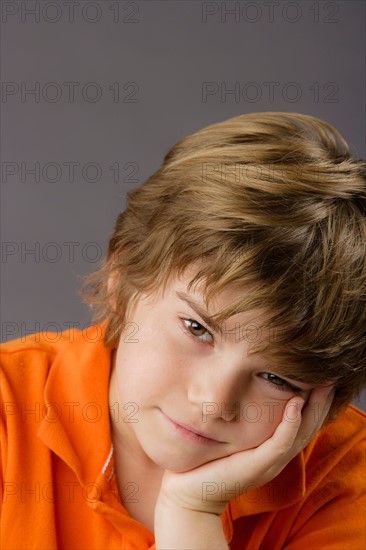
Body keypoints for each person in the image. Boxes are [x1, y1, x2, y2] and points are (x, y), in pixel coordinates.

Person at [1, 112, 365, 550]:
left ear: (327, 397)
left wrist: (191, 512)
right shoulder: (8, 409)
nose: (214, 403)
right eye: (197, 329)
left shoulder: (346, 480)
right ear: (124, 277)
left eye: (277, 377)